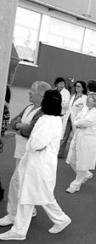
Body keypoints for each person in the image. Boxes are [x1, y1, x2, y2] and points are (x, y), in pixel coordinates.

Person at [0, 90, 71, 241]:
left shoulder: (50, 120)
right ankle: (20, 229)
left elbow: (37, 143)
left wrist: (31, 143)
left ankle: (60, 219)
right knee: (30, 195)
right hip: (35, 163)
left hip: (39, 165)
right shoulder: (49, 118)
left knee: (40, 195)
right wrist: (32, 143)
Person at [0, 81, 50, 227]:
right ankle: (28, 210)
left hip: (31, 153)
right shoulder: (29, 107)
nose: (29, 92)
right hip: (20, 150)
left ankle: (13, 215)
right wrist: (21, 125)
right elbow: (13, 122)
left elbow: (30, 131)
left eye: (32, 91)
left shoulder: (43, 112)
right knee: (23, 183)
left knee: (18, 183)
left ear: (41, 95)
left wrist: (20, 127)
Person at [65, 93, 96, 193]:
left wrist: (78, 123)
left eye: (89, 100)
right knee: (72, 159)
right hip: (78, 135)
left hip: (88, 139)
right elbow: (77, 119)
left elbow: (85, 122)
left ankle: (75, 185)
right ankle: (86, 174)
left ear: (95, 102)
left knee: (82, 162)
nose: (87, 101)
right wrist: (78, 123)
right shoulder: (85, 109)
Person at [58, 81, 88, 158]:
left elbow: (85, 110)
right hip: (68, 118)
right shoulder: (72, 96)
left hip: (77, 120)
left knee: (77, 138)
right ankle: (59, 153)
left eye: (79, 86)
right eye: (76, 86)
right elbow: (67, 106)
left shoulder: (85, 98)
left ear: (83, 88)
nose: (77, 88)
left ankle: (77, 156)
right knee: (64, 137)